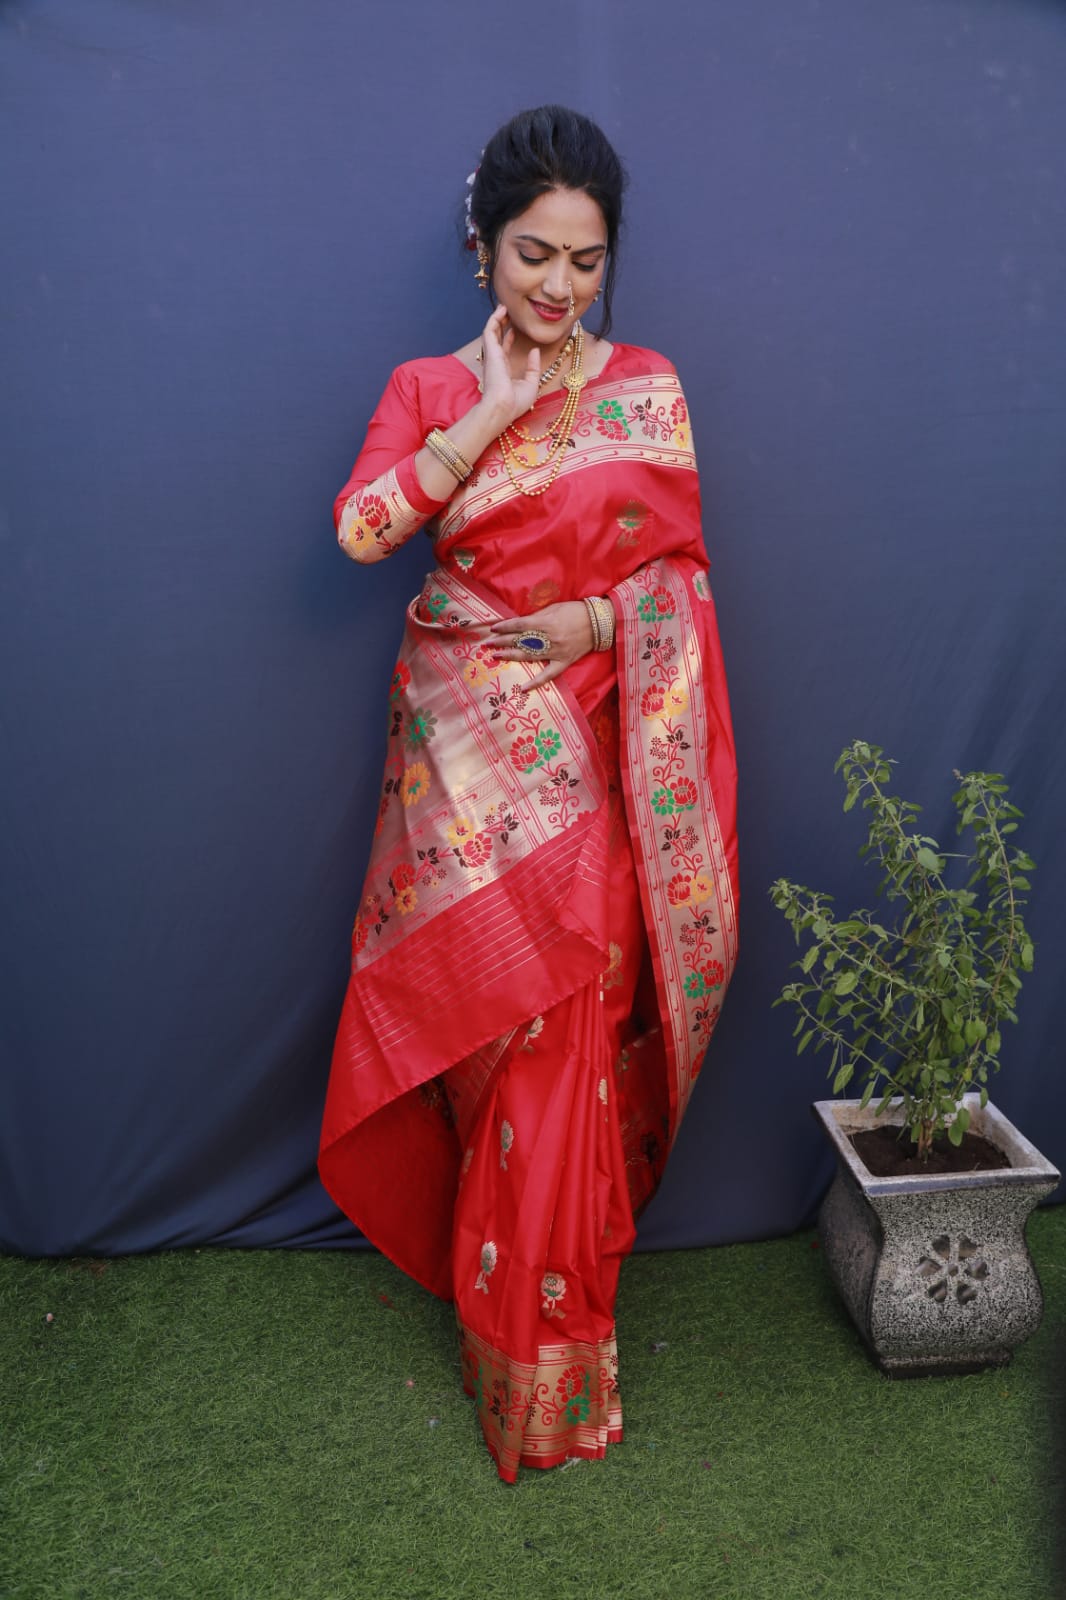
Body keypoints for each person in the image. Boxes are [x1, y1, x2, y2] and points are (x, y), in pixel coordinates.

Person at [318, 105, 738, 1483]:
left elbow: (678, 583)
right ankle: (513, 1347)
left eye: (584, 262)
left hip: (592, 750)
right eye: (531, 256)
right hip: (460, 758)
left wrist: (600, 630)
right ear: (480, 245)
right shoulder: (429, 387)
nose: (556, 289)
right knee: (497, 1040)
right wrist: (491, 411)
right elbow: (363, 529)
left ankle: (561, 1356)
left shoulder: (650, 387)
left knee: (570, 1032)